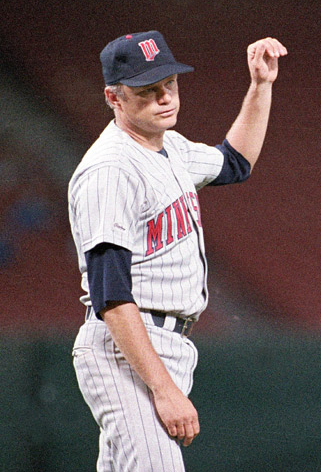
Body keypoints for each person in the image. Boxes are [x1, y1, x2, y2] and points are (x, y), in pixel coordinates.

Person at [68, 30, 287, 471]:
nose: (164, 97)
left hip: (161, 344)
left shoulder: (170, 147)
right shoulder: (110, 169)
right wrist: (164, 389)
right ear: (114, 97)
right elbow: (111, 294)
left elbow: (235, 162)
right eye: (147, 90)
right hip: (125, 348)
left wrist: (260, 86)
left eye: (169, 83)